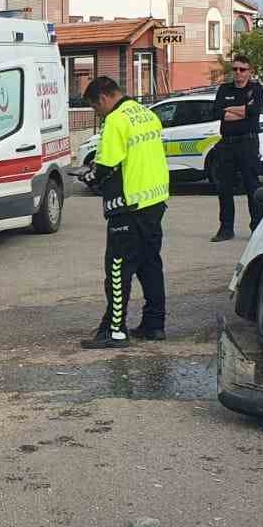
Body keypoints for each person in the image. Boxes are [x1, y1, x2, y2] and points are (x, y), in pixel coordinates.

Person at [81, 75, 170, 349]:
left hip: (128, 205)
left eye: (95, 107)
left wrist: (89, 176)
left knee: (118, 268)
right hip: (155, 201)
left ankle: (116, 331)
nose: (97, 113)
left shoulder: (116, 121)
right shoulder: (147, 114)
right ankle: (154, 325)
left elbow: (106, 165)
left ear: (103, 98)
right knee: (150, 265)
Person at [210, 56, 263, 241]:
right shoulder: (224, 89)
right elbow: (217, 112)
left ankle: (257, 228)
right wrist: (241, 110)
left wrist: (229, 109)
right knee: (224, 187)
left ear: (250, 71)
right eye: (235, 69)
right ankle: (226, 229)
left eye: (242, 69)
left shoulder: (255, 89)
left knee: (252, 186)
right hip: (227, 144)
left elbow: (253, 112)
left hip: (247, 143)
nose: (238, 73)